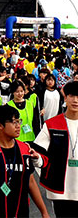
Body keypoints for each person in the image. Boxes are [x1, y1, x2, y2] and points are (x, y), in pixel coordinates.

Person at [0, 105, 50, 218]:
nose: (18, 126)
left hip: (19, 212)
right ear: (0, 125)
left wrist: (44, 212)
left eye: (19, 121)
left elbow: (31, 181)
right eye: (14, 122)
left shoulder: (25, 150)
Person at [33, 81, 78, 217]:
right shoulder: (52, 124)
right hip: (60, 190)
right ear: (65, 98)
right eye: (71, 95)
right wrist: (38, 161)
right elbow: (39, 153)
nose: (75, 100)